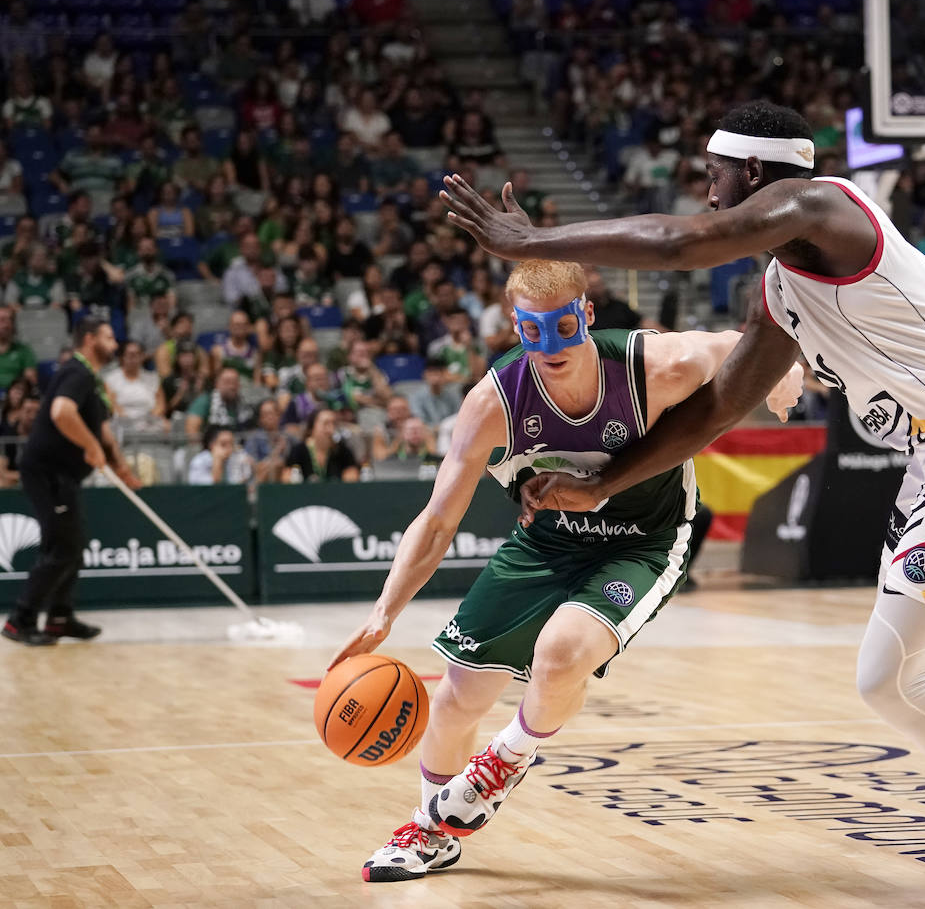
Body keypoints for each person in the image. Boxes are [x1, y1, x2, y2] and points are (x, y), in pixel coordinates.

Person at [447, 101, 925, 904]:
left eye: (716, 174)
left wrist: (531, 241)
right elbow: (718, 406)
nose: (708, 192)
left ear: (754, 172)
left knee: (888, 678)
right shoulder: (787, 286)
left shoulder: (829, 204)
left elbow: (684, 244)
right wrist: (604, 483)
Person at [329, 258, 802, 884]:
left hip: (645, 541)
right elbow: (439, 519)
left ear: (586, 316)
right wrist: (382, 614)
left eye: (562, 328)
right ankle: (430, 831)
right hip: (546, 542)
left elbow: (751, 344)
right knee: (455, 697)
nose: (549, 347)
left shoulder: (654, 366)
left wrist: (785, 371)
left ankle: (510, 755)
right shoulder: (493, 402)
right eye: (532, 332)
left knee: (560, 653)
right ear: (514, 327)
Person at [3, 320, 140, 646]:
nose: (115, 344)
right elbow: (62, 413)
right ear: (90, 340)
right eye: (108, 337)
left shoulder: (91, 381)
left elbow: (102, 430)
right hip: (48, 472)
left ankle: (59, 619)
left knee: (73, 546)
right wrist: (91, 448)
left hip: (64, 475)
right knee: (61, 548)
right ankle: (19, 621)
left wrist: (120, 465)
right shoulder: (75, 372)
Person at [283, 407, 359, 482]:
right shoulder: (298, 451)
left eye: (334, 424)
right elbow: (287, 477)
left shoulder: (342, 451)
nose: (331, 429)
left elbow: (352, 475)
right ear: (312, 427)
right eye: (325, 424)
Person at [105, 340, 164, 425]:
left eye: (137, 354)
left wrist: (150, 419)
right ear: (122, 357)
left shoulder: (153, 378)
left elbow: (160, 404)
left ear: (142, 356)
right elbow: (112, 404)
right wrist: (128, 421)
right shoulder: (111, 379)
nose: (133, 358)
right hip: (122, 422)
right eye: (130, 355)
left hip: (149, 422)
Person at [187, 426, 254, 485]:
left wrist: (250, 469)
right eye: (223, 444)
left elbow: (237, 487)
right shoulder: (199, 461)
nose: (229, 448)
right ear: (211, 445)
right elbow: (208, 490)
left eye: (231, 444)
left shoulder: (237, 457)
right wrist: (217, 460)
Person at [0, 306, 38, 389]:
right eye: (2, 320)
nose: (6, 324)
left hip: (14, 397)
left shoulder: (24, 351)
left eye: (10, 320)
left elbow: (31, 381)